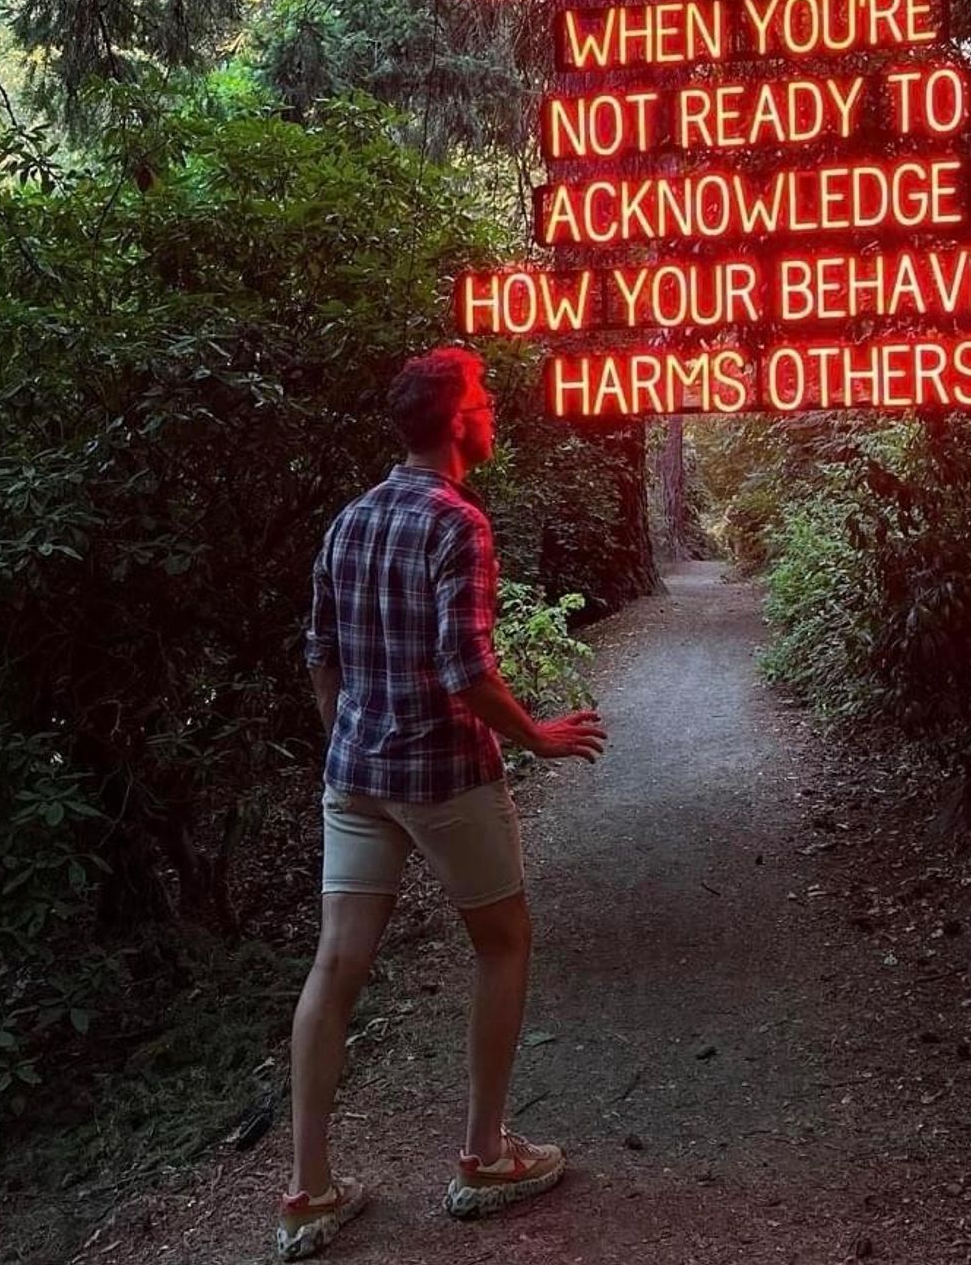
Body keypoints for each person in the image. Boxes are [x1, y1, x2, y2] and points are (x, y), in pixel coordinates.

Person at [279, 345, 606, 1262]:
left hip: (357, 778)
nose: (494, 411)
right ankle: (483, 1156)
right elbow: (467, 671)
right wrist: (537, 733)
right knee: (502, 943)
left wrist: (350, 737)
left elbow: (318, 652)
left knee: (335, 966)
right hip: (446, 777)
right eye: (485, 401)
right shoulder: (456, 522)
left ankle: (308, 1193)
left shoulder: (350, 520)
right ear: (457, 422)